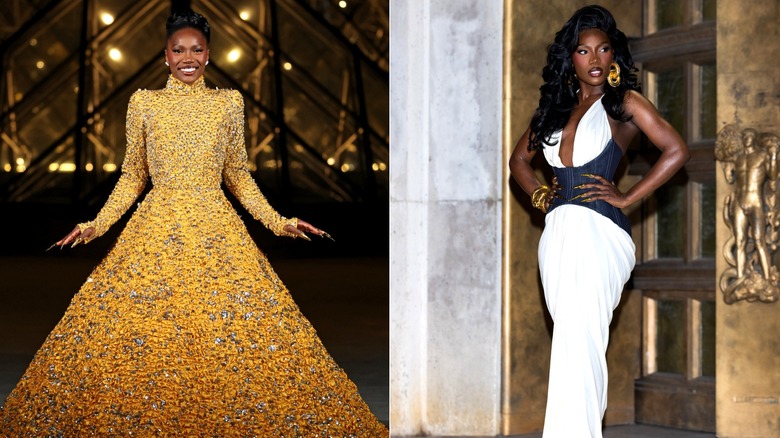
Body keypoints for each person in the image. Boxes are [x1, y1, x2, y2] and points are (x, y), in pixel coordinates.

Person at [0, 10, 388, 437]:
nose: (188, 57)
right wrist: (97, 224)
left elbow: (237, 174)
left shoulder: (229, 102)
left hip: (217, 232)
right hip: (155, 233)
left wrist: (278, 222)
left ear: (209, 54)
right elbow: (133, 175)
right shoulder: (144, 103)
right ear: (165, 56)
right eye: (178, 50)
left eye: (197, 49)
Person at [508, 5, 689, 437]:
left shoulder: (623, 103)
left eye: (603, 49)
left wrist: (627, 195)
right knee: (571, 341)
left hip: (598, 234)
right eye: (583, 50)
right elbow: (518, 161)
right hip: (558, 236)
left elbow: (676, 149)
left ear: (613, 57)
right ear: (570, 59)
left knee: (583, 342)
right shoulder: (553, 109)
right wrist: (539, 195)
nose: (594, 59)